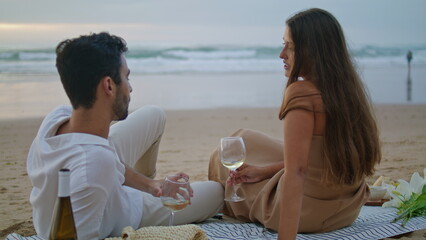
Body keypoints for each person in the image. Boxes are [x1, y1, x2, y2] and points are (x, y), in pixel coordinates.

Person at [27, 32, 223, 240]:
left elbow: (109, 160)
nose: (130, 87)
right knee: (217, 192)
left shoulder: (58, 117)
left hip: (56, 205)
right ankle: (148, 201)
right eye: (126, 77)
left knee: (154, 114)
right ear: (109, 86)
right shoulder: (95, 162)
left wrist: (153, 185)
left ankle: (148, 188)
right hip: (123, 208)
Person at [208, 8, 381, 240]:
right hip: (347, 208)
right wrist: (264, 171)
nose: (282, 54)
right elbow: (318, 157)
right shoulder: (348, 91)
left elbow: (297, 173)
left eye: (290, 46)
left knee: (223, 161)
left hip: (307, 213)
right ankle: (258, 173)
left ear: (312, 51)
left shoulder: (302, 93)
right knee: (244, 138)